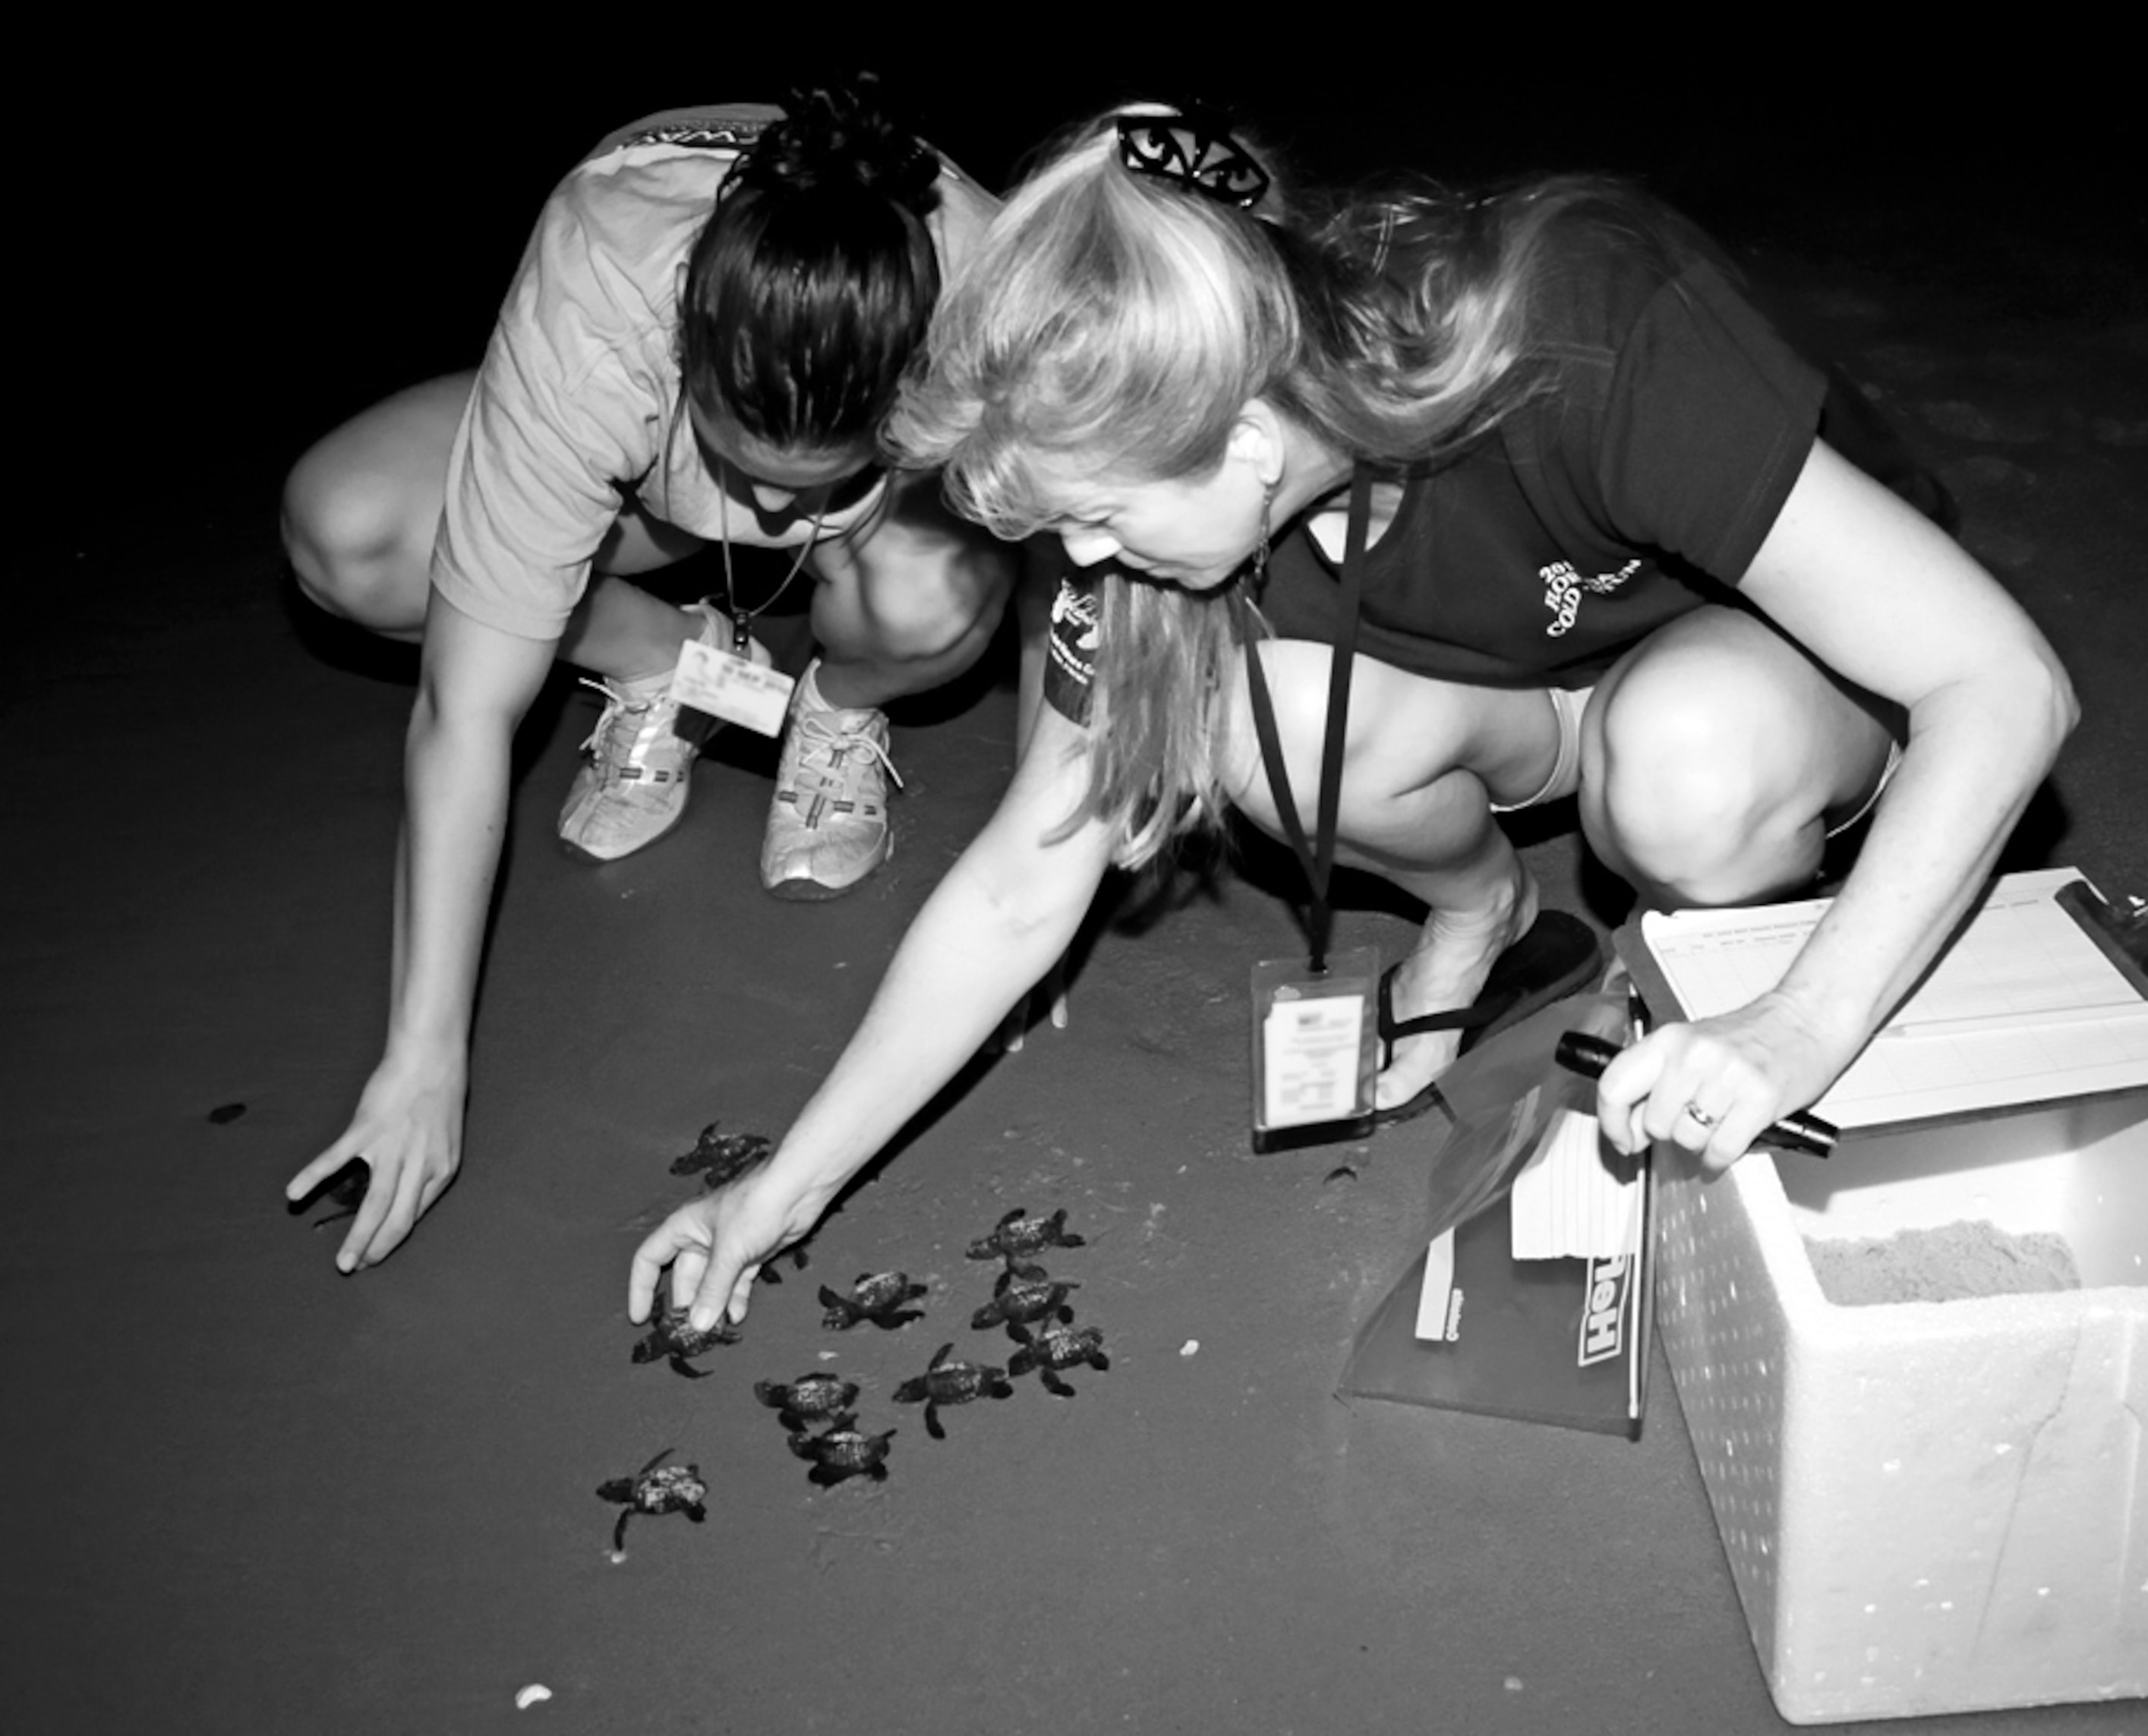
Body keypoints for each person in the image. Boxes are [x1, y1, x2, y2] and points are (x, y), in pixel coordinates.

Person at [629, 103, 2075, 1332]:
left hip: (1774, 658)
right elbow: (1026, 875)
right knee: (1241, 714)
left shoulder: (1579, 327)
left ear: (1246, 446)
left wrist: (1799, 1027)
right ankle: (1484, 914)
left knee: (1691, 773)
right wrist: (783, 1189)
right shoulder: (1175, 463)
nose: (1076, 564)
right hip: (1528, 676)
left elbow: (2004, 683)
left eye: (1097, 521)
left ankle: (1713, 960)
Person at [282, 83, 1025, 1271]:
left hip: (890, 501)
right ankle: (666, 661)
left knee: (933, 595)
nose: (780, 511)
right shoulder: (601, 295)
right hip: (645, 489)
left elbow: (1082, 580)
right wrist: (424, 1056)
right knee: (352, 534)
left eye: (810, 483)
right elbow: (466, 709)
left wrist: (1055, 883)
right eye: (756, 473)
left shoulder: (995, 292)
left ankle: (838, 707)